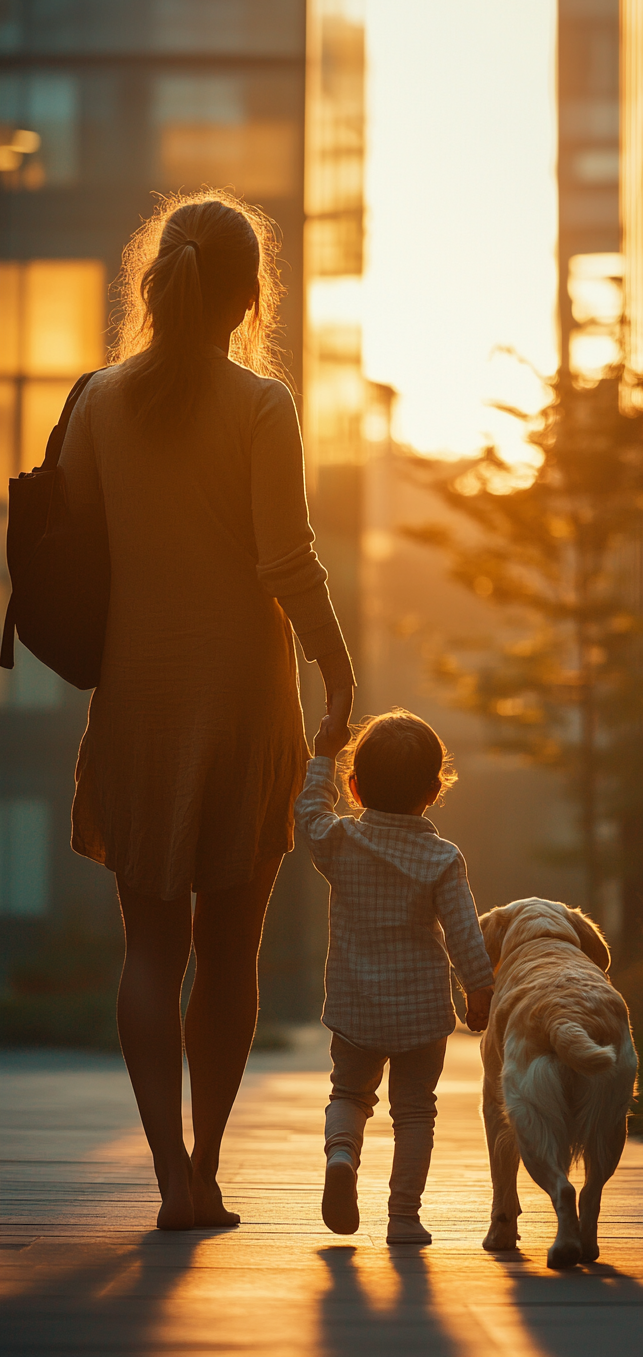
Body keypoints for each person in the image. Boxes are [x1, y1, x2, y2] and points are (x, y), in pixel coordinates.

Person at [59, 191, 354, 1231]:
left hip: (137, 698)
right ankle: (208, 1166)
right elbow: (288, 561)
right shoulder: (263, 407)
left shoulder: (97, 402)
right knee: (232, 950)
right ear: (248, 295)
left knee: (151, 947)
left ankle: (168, 1177)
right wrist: (339, 671)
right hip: (243, 703)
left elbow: (82, 554)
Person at [294, 708, 494, 1244]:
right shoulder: (443, 858)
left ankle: (342, 1155)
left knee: (349, 1094)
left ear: (355, 789)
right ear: (434, 790)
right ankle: (403, 1217)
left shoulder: (339, 842)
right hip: (422, 1013)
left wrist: (322, 755)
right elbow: (463, 934)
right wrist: (478, 988)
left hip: (355, 1005)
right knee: (414, 1114)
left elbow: (309, 814)